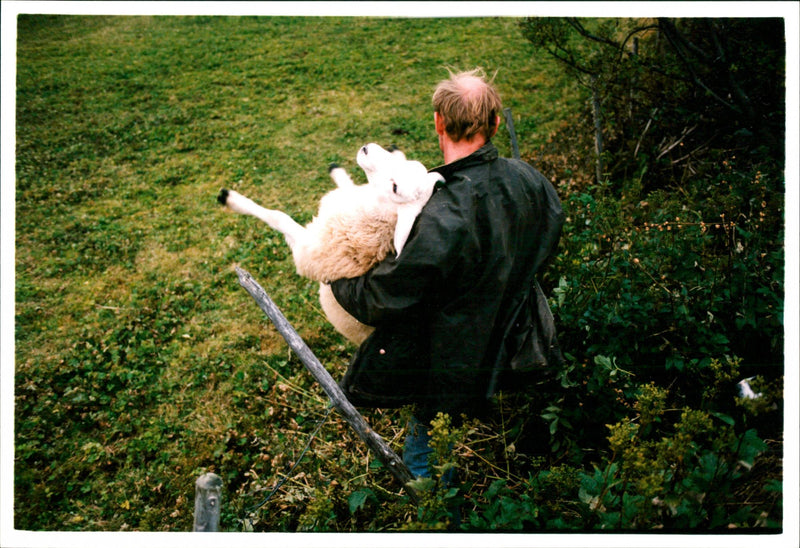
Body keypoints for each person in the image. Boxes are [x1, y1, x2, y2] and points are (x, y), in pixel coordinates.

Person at [330, 68, 565, 480]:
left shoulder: (444, 214)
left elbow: (384, 297)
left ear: (438, 122)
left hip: (453, 361)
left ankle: (442, 524)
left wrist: (336, 272)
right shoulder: (532, 181)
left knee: (427, 457)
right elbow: (548, 234)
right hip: (516, 342)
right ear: (495, 123)